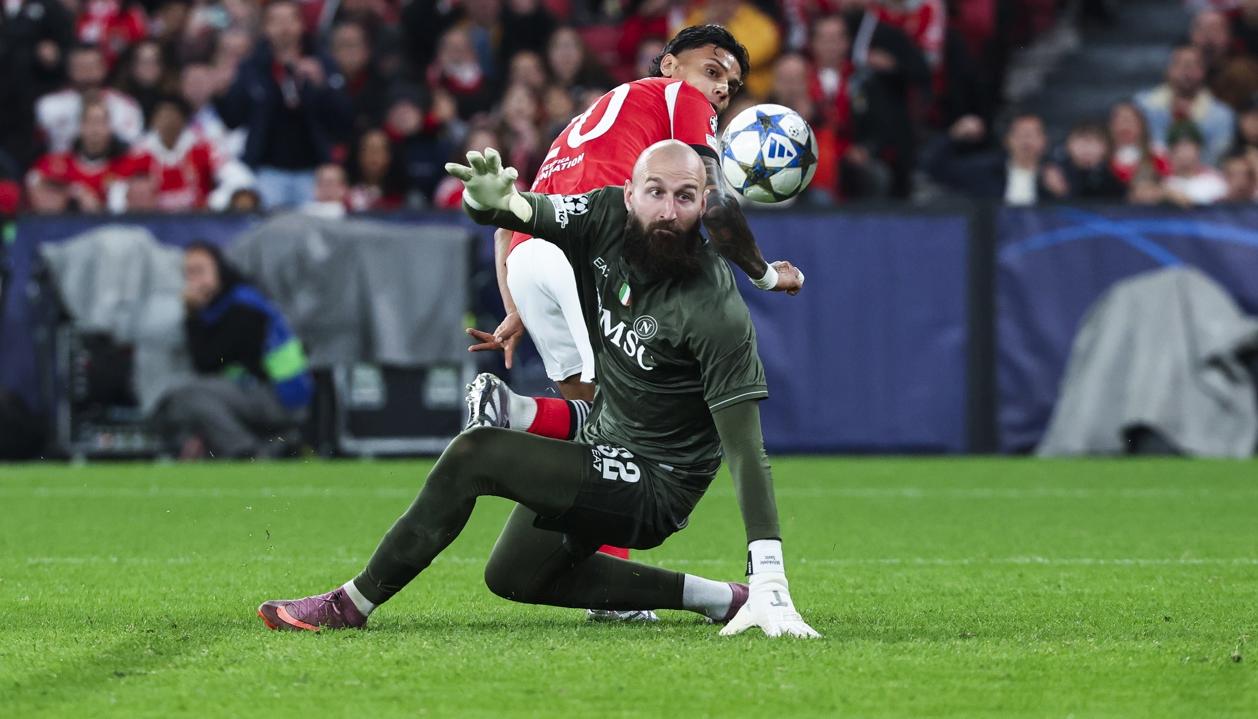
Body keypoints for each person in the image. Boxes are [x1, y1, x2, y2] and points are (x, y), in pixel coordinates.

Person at [257, 141, 820, 640]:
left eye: (685, 196)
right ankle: (719, 599)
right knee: (512, 575)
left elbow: (747, 451)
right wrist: (486, 200)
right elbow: (516, 210)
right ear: (629, 195)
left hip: (657, 485)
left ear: (704, 207)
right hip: (606, 442)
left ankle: (350, 604)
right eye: (655, 192)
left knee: (476, 452)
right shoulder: (601, 215)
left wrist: (769, 574)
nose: (669, 211)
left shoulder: (714, 307)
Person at [154, 242, 313, 459]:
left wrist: (192, 315)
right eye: (188, 273)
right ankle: (271, 447)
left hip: (283, 396)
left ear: (219, 270)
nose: (193, 280)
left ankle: (245, 451)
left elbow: (207, 361)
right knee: (183, 400)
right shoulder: (229, 303)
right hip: (264, 391)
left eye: (199, 271)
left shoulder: (242, 307)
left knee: (189, 396)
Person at [213, 0, 353, 208]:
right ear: (266, 28)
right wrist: (221, 93)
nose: (284, 28)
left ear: (301, 25)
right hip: (268, 170)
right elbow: (233, 119)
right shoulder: (252, 67)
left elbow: (344, 119)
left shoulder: (322, 62)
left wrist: (322, 86)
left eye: (290, 20)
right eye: (276, 22)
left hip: (313, 170)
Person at [35, 43, 144, 154]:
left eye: (92, 66)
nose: (87, 73)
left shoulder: (125, 105)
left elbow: (132, 148)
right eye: (81, 67)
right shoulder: (49, 105)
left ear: (104, 67)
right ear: (69, 69)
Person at [1135, 45, 1234, 166]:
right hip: (1150, 177)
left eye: (1193, 65)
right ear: (1168, 69)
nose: (1186, 71)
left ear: (1203, 71)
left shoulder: (1221, 115)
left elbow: (1218, 160)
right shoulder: (1142, 105)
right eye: (1180, 64)